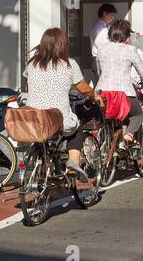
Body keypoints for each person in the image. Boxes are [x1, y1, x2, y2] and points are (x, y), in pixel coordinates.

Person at [24, 26, 101, 179]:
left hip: (34, 119)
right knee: (76, 130)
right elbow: (84, 89)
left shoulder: (32, 64)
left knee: (44, 137)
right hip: (57, 120)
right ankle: (73, 161)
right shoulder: (69, 64)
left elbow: (28, 85)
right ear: (62, 45)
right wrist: (94, 96)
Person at [95, 17, 143, 148]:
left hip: (102, 92)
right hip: (123, 92)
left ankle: (109, 145)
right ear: (126, 35)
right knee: (137, 115)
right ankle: (128, 134)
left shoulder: (101, 49)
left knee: (107, 119)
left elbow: (99, 71)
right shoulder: (130, 50)